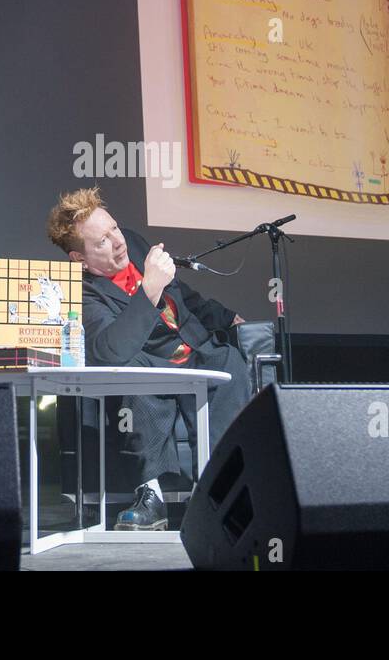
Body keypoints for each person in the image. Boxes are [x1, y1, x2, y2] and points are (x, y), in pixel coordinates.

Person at [47, 187, 252, 531]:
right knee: (131, 371)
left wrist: (225, 316)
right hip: (149, 361)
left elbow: (183, 295)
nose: (117, 242)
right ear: (78, 258)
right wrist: (149, 289)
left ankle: (223, 488)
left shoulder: (134, 243)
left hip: (192, 348)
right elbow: (109, 349)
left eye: (114, 228)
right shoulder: (82, 291)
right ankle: (151, 496)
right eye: (102, 242)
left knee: (229, 360)